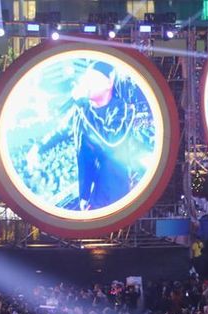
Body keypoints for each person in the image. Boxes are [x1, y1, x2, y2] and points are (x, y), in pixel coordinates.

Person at [26, 61, 141, 210]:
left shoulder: (123, 109)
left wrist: (84, 106)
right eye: (87, 79)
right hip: (88, 194)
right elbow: (61, 131)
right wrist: (37, 147)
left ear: (109, 83)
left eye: (94, 79)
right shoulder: (81, 111)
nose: (88, 84)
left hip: (114, 194)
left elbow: (111, 141)